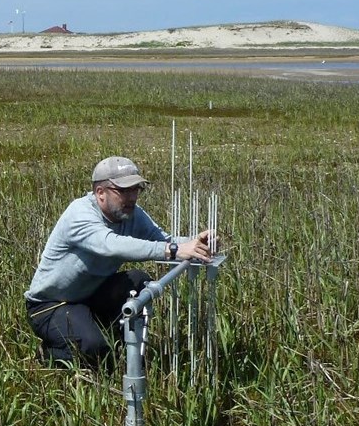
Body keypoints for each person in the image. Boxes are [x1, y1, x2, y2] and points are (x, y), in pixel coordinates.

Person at [24, 156, 215, 370]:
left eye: (136, 189)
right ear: (100, 193)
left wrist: (195, 243)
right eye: (123, 190)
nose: (132, 197)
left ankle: (115, 342)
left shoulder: (132, 214)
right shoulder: (79, 215)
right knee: (94, 349)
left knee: (138, 281)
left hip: (92, 294)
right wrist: (174, 251)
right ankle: (50, 354)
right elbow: (110, 245)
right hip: (53, 305)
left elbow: (164, 241)